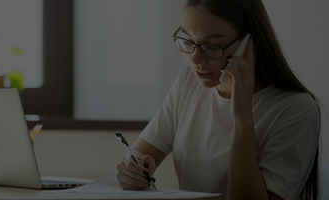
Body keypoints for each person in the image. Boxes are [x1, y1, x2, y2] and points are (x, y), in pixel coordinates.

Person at [116, 0, 321, 200]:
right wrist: (132, 170)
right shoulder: (190, 78)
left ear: (250, 43)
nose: (195, 60)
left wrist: (242, 117)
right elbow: (140, 153)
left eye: (212, 47)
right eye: (188, 41)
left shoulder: (296, 109)